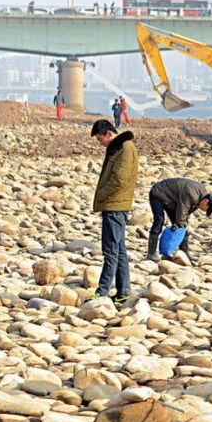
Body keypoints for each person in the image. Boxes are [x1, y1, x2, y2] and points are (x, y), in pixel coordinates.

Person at [90, 120, 138, 304]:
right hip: (115, 205)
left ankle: (102, 292)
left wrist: (101, 195)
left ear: (109, 133)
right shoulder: (119, 148)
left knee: (110, 251)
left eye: (100, 139)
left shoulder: (125, 148)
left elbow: (118, 179)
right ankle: (123, 291)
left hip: (115, 206)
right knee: (119, 251)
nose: (100, 143)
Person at [146, 178, 212, 262]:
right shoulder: (191, 194)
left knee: (182, 226)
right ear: (206, 201)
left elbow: (185, 215)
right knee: (159, 221)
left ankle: (184, 253)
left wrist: (182, 226)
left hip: (171, 200)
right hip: (158, 193)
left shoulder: (201, 197)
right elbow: (182, 213)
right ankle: (151, 253)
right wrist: (181, 226)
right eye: (206, 209)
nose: (204, 211)